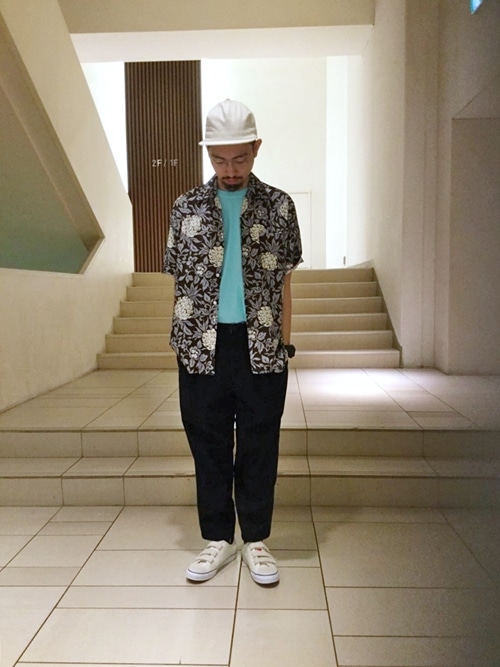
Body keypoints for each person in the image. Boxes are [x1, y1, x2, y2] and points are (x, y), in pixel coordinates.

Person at [163, 99, 302, 585]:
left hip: (261, 344)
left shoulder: (280, 207)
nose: (229, 169)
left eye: (239, 158)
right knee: (208, 444)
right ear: (208, 153)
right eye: (219, 159)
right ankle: (218, 538)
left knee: (261, 444)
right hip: (201, 347)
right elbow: (179, 283)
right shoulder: (185, 207)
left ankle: (256, 539)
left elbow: (285, 284)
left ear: (256, 148)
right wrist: (183, 343)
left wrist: (284, 346)